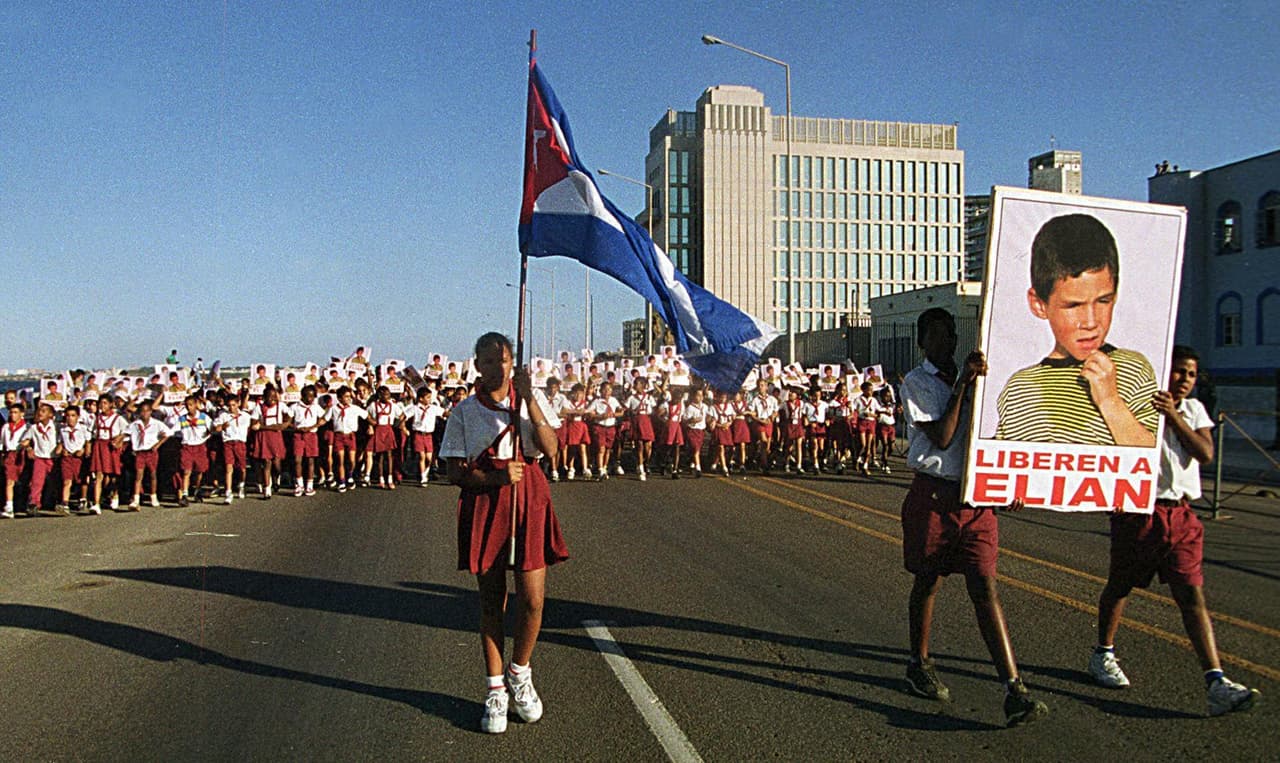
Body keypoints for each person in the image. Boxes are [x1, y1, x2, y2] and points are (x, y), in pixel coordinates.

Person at [1089, 345, 1260, 716]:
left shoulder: (1193, 410)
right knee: (1121, 585)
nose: (1184, 380)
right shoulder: (1135, 405)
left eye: (1191, 374)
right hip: (1139, 512)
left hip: (1180, 515)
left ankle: (1215, 680)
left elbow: (1204, 453)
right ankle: (1103, 652)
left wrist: (1173, 416)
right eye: (1179, 371)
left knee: (1191, 595)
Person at [899, 307, 1048, 727]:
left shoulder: (984, 380)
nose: (945, 342)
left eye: (950, 334)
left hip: (976, 500)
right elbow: (944, 437)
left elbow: (1007, 431)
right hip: (934, 496)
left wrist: (1008, 483)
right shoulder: (916, 383)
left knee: (985, 586)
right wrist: (963, 384)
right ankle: (919, 662)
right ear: (921, 342)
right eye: (936, 335)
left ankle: (1014, 688)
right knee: (928, 581)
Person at [440, 332, 568, 735]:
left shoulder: (530, 399)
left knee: (532, 600)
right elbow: (454, 472)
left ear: (514, 362)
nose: (500, 367)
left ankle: (520, 671)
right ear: (478, 366)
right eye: (491, 361)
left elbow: (552, 449)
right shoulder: (464, 411)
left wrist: (529, 399)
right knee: (492, 601)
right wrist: (494, 477)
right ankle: (495, 689)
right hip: (487, 501)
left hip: (529, 496)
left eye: (506, 359)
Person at [995, 213, 1158, 446]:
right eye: (1073, 306)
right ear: (1039, 304)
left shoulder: (1132, 369)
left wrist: (1110, 400)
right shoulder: (1019, 389)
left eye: (1103, 301)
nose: (1090, 322)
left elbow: (1152, 458)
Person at [171, 395, 214, 506]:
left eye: (190, 405)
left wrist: (207, 435)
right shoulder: (182, 419)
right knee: (186, 471)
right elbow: (172, 431)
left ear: (196, 405)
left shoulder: (203, 417)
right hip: (187, 447)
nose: (189, 407)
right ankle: (185, 495)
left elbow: (212, 428)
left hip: (200, 446)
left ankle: (197, 489)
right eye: (187, 405)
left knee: (200, 470)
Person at [128, 399, 170, 510]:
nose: (145, 413)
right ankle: (136, 499)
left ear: (151, 411)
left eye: (147, 411)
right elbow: (126, 433)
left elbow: (168, 433)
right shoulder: (135, 424)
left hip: (151, 452)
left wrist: (158, 444)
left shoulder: (156, 423)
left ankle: (153, 496)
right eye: (142, 411)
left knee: (153, 474)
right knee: (138, 475)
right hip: (140, 452)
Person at [90, 395, 129, 513]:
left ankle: (115, 494)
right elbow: (93, 433)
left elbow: (128, 430)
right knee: (99, 475)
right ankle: (96, 504)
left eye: (105, 403)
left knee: (113, 475)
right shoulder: (97, 418)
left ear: (111, 404)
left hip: (111, 447)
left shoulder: (118, 418)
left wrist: (119, 439)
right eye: (101, 403)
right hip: (99, 446)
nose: (102, 405)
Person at [251, 385, 291, 498]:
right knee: (266, 462)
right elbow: (253, 424)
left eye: (274, 396)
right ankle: (267, 488)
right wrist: (261, 426)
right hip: (264, 437)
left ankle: (276, 476)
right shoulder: (258, 408)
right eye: (269, 396)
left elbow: (290, 416)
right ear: (264, 397)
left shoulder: (281, 406)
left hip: (276, 436)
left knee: (277, 464)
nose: (272, 399)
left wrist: (286, 423)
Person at [24, 403, 59, 516]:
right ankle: (34, 503)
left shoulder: (56, 427)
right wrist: (29, 448)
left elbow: (61, 439)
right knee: (37, 481)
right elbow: (25, 440)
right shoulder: (34, 428)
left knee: (54, 481)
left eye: (44, 411)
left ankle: (54, 500)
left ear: (51, 414)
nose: (40, 413)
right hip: (40, 457)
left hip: (53, 458)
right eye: (39, 410)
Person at [215, 395, 252, 503]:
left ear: (238, 404)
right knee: (228, 468)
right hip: (228, 443)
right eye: (229, 405)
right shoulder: (223, 415)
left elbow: (250, 427)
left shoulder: (245, 416)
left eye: (234, 405)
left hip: (240, 443)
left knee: (242, 468)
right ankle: (228, 493)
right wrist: (222, 427)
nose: (231, 408)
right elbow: (216, 428)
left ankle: (241, 485)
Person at [290, 385, 324, 496]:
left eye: (312, 396)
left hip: (311, 435)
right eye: (308, 396)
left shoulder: (316, 407)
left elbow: (322, 419)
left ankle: (309, 485)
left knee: (310, 460)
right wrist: (296, 427)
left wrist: (313, 427)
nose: (310, 399)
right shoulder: (295, 407)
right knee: (297, 460)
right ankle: (299, 484)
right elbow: (288, 421)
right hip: (298, 434)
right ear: (302, 396)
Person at [407, 386, 445, 486]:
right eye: (427, 397)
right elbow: (404, 416)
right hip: (418, 434)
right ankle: (423, 478)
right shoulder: (415, 408)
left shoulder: (433, 408)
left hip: (428, 435)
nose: (429, 399)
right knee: (421, 456)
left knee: (429, 458)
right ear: (420, 398)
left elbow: (444, 412)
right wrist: (403, 427)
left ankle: (425, 472)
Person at [58, 404, 91, 513]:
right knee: (67, 480)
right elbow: (61, 443)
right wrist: (62, 450)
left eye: (73, 415)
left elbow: (88, 442)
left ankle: (83, 499)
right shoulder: (63, 430)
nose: (70, 418)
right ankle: (65, 503)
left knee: (82, 480)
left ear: (78, 417)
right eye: (68, 416)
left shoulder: (83, 428)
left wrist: (85, 451)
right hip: (68, 458)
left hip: (79, 458)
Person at [3, 402, 29, 518]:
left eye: (15, 412)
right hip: (10, 454)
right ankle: (9, 507)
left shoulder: (26, 427)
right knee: (9, 481)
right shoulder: (6, 427)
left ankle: (23, 504)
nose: (13, 415)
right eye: (11, 412)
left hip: (21, 454)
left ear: (21, 414)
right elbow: (2, 442)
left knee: (22, 480)